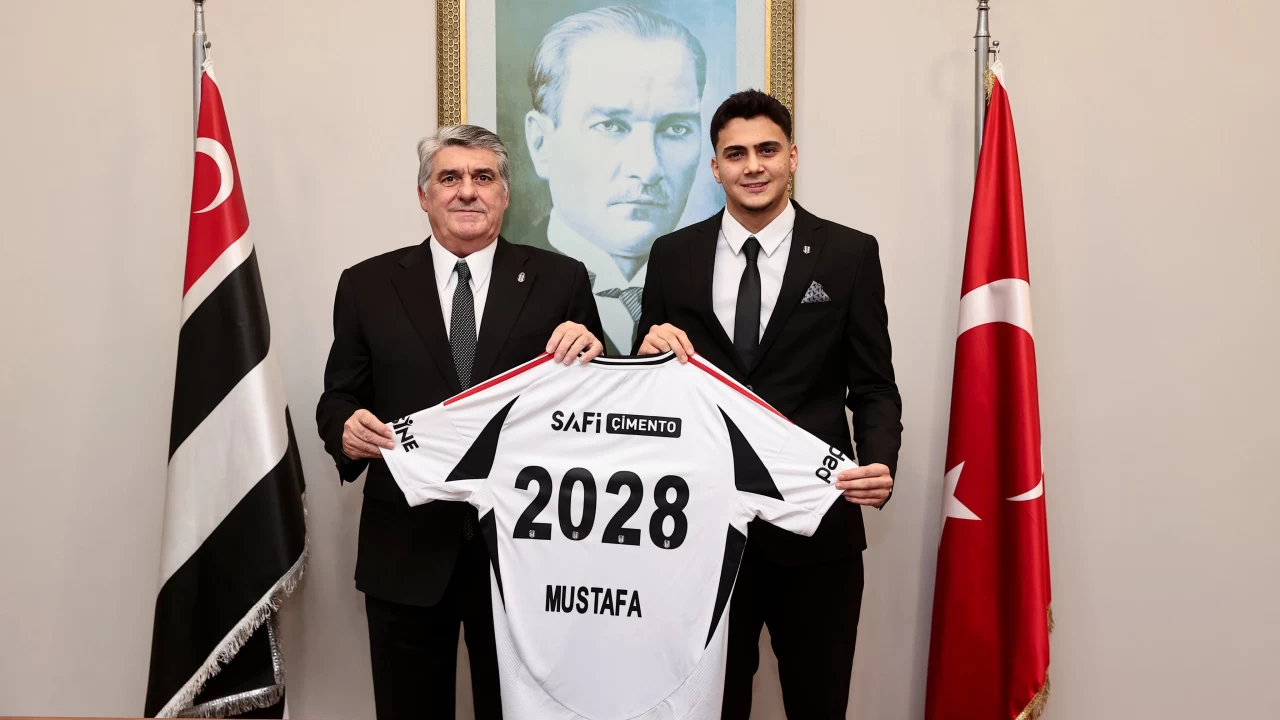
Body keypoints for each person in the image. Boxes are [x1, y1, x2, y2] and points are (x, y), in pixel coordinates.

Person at [316, 124, 604, 720]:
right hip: (406, 551)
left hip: (527, 557)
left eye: (483, 177)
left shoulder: (561, 281)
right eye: (449, 178)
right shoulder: (367, 285)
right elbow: (339, 396)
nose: (467, 191)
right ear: (424, 195)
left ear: (505, 194)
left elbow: (594, 409)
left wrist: (593, 350)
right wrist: (344, 428)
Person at [634, 90, 903, 719]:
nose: (753, 165)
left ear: (793, 157)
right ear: (715, 167)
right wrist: (646, 352)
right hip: (698, 533)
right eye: (736, 154)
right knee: (708, 707)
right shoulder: (672, 256)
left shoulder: (849, 254)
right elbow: (651, 389)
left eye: (767, 150)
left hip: (817, 529)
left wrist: (880, 461)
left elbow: (873, 385)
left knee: (818, 702)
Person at [520, 5, 707, 354]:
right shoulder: (498, 287)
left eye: (675, 128)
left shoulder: (720, 286)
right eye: (610, 126)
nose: (648, 169)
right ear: (541, 143)